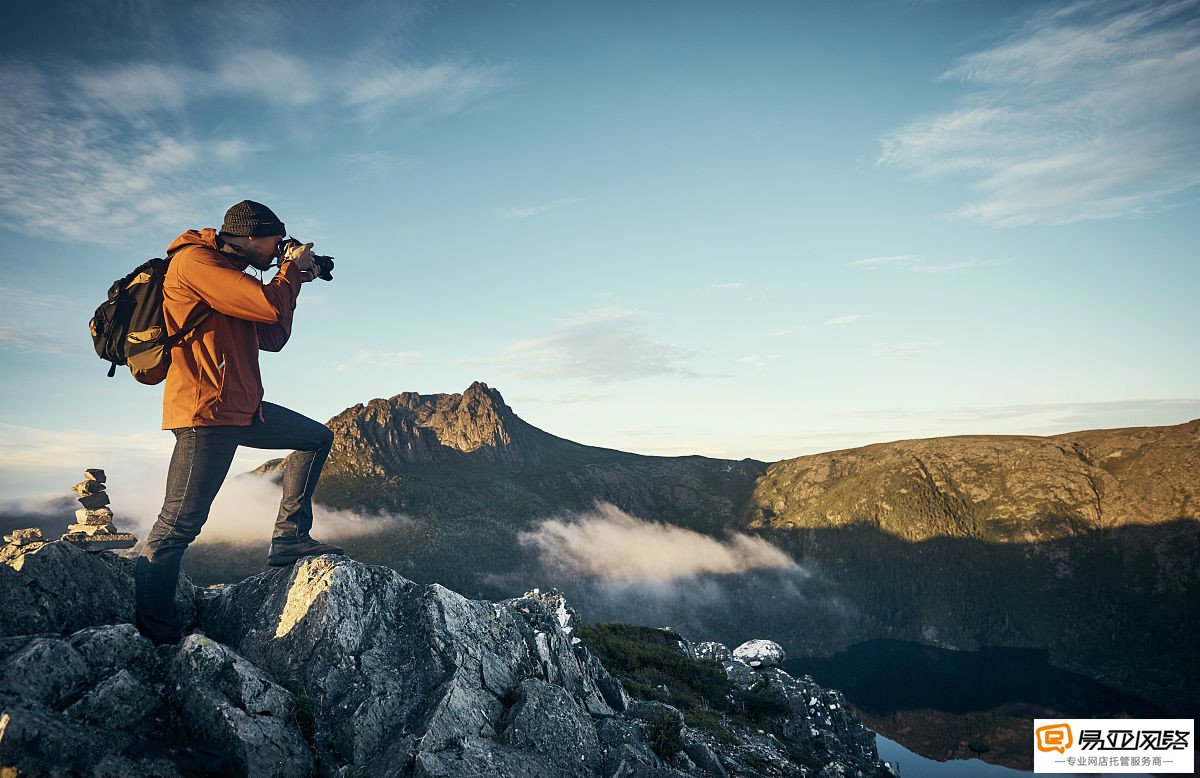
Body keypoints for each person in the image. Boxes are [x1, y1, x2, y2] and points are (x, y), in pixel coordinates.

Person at [134, 200, 344, 646]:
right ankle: (157, 635)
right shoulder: (196, 262)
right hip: (206, 412)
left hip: (242, 408)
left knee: (314, 438)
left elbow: (272, 336)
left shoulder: (234, 276)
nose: (278, 251)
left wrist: (295, 280)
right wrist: (287, 273)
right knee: (177, 527)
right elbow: (269, 308)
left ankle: (289, 538)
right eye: (275, 242)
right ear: (250, 236)